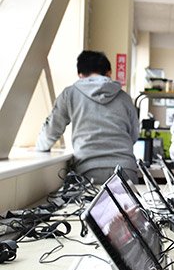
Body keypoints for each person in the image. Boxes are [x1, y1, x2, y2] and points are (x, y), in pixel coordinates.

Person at [36, 50, 139, 184]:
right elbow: (134, 134)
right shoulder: (124, 98)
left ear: (80, 74)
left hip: (88, 170)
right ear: (109, 72)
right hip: (126, 170)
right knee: (128, 206)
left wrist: (40, 146)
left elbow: (52, 129)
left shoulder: (70, 94)